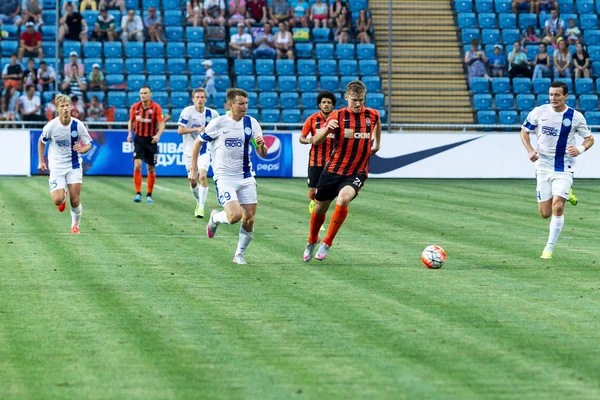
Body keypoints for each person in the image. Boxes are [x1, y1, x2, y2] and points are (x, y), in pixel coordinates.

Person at [303, 80, 381, 262]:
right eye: (354, 100)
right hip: (333, 170)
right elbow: (316, 141)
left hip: (357, 171)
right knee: (320, 209)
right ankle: (312, 239)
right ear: (346, 98)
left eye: (361, 99)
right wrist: (325, 130)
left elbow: (377, 127)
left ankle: (327, 242)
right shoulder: (337, 116)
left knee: (344, 198)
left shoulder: (373, 115)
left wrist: (377, 144)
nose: (358, 104)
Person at [189, 88, 268, 265]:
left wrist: (261, 147)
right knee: (234, 216)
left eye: (246, 103)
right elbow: (198, 142)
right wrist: (193, 169)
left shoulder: (251, 123)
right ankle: (215, 217)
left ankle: (238, 255)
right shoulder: (218, 123)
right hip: (224, 177)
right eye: (241, 104)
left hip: (246, 176)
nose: (244, 107)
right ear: (230, 105)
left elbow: (262, 153)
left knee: (249, 218)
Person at [520, 81, 594, 259]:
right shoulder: (539, 112)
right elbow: (524, 131)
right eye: (551, 94)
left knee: (558, 206)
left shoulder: (575, 117)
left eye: (557, 95)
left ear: (565, 96)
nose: (553, 98)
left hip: (564, 167)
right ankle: (567, 192)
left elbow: (589, 139)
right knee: (545, 213)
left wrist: (580, 149)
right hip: (543, 167)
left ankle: (548, 249)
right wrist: (530, 150)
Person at [38, 94, 92, 233]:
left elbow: (88, 144)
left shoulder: (78, 125)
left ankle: (75, 225)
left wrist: (83, 149)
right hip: (56, 167)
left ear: (71, 107)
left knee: (75, 201)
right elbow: (41, 142)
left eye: (67, 105)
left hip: (73, 166)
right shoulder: (51, 126)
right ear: (57, 109)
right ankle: (63, 194)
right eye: (62, 106)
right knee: (57, 200)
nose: (66, 108)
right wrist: (41, 161)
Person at [177, 88, 220, 218]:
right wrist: (196, 129)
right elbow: (180, 130)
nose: (200, 99)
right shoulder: (187, 112)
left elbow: (219, 130)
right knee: (193, 180)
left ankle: (201, 207)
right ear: (193, 99)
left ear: (205, 99)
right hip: (189, 150)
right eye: (197, 97)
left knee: (202, 176)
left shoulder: (213, 114)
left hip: (205, 149)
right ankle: (198, 200)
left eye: (202, 97)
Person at [299, 90, 336, 215]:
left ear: (333, 105)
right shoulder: (312, 119)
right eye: (323, 102)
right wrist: (310, 140)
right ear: (319, 105)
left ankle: (319, 214)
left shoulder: (338, 119)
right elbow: (301, 138)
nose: (326, 105)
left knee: (329, 192)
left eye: (329, 102)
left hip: (333, 162)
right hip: (316, 161)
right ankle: (314, 204)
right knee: (313, 191)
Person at [127, 86, 165, 203]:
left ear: (150, 94)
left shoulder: (156, 107)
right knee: (137, 165)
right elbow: (131, 121)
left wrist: (158, 135)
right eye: (141, 93)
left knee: (150, 167)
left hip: (151, 141)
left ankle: (149, 194)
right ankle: (138, 193)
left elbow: (161, 123)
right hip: (139, 140)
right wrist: (129, 133)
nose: (143, 95)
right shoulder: (135, 107)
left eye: (145, 93)